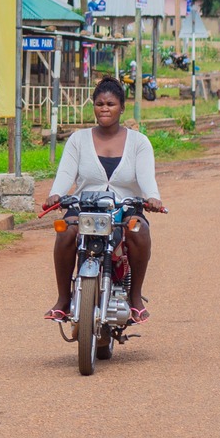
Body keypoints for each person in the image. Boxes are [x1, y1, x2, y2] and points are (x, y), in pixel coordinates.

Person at [44, 77, 164, 324]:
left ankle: (135, 297)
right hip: (85, 207)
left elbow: (145, 176)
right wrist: (55, 194)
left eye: (111, 103)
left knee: (139, 231)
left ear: (122, 107)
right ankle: (63, 299)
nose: (105, 108)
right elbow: (66, 173)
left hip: (124, 207)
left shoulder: (139, 143)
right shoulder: (78, 140)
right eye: (99, 104)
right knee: (65, 232)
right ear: (94, 107)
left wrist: (153, 198)